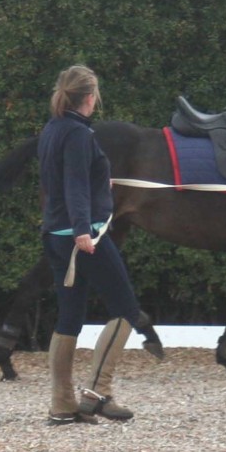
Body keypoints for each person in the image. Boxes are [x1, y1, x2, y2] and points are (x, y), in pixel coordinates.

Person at [39, 65, 142, 426]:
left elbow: (67, 179)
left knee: (69, 317)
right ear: (89, 97)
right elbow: (75, 186)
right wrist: (83, 229)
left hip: (55, 235)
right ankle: (97, 393)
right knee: (126, 309)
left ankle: (61, 405)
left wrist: (102, 184)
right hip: (82, 238)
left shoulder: (53, 129)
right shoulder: (80, 135)